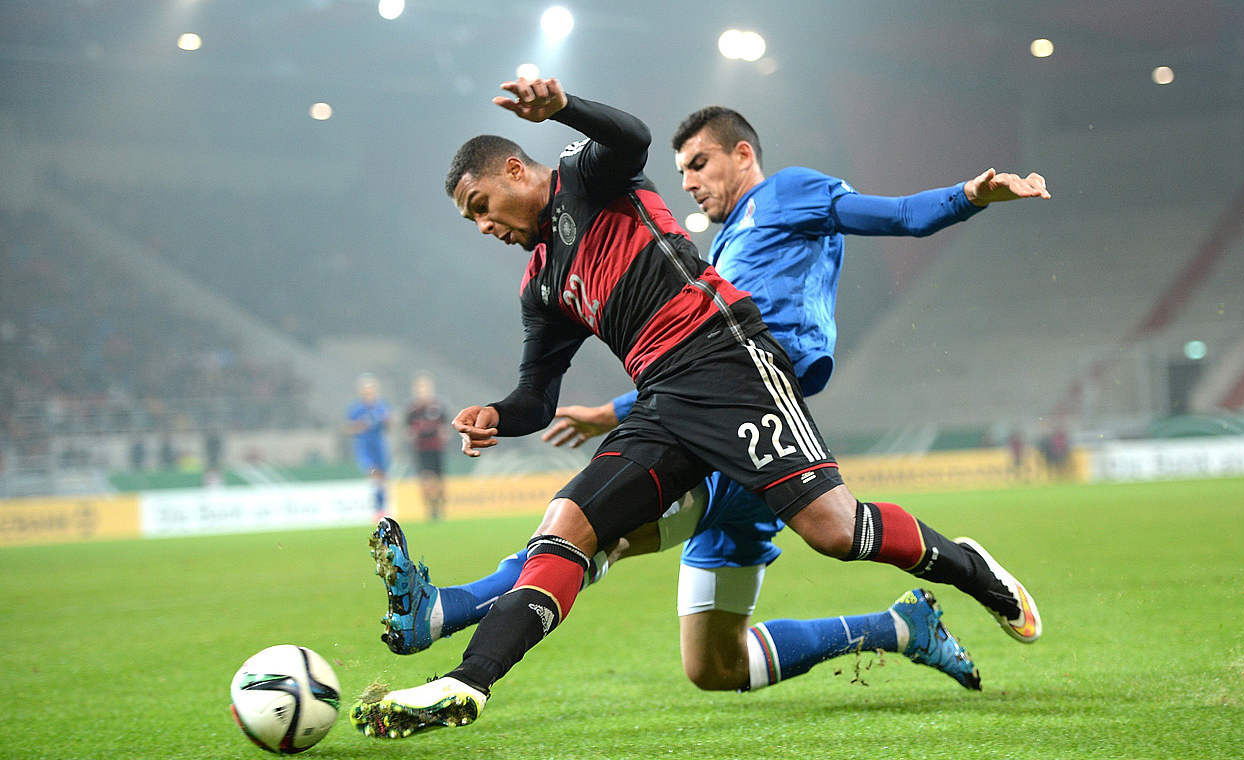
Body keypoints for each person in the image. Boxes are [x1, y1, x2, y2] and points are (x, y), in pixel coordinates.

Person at [351, 77, 1036, 740]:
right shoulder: (541, 285)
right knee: (568, 528)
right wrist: (498, 416)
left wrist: (563, 108)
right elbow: (537, 396)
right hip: (662, 403)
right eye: (470, 218)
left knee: (833, 530)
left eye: (479, 204)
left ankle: (968, 568)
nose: (480, 225)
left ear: (513, 169)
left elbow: (631, 137)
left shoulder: (583, 178)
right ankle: (467, 681)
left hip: (728, 364)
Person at [405, 372, 451, 520]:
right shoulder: (412, 410)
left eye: (426, 388)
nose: (423, 392)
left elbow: (446, 427)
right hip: (421, 449)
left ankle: (439, 503)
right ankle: (430, 507)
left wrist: (442, 434)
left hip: (436, 447)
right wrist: (415, 434)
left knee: (438, 479)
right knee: (426, 478)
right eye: (420, 389)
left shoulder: (438, 406)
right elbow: (408, 430)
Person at [344, 373, 391, 519]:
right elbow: (347, 428)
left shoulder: (381, 407)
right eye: (366, 390)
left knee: (382, 478)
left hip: (379, 446)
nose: (369, 393)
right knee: (374, 474)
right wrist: (359, 426)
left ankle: (382, 508)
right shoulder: (356, 409)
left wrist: (386, 421)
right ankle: (378, 509)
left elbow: (389, 424)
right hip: (365, 447)